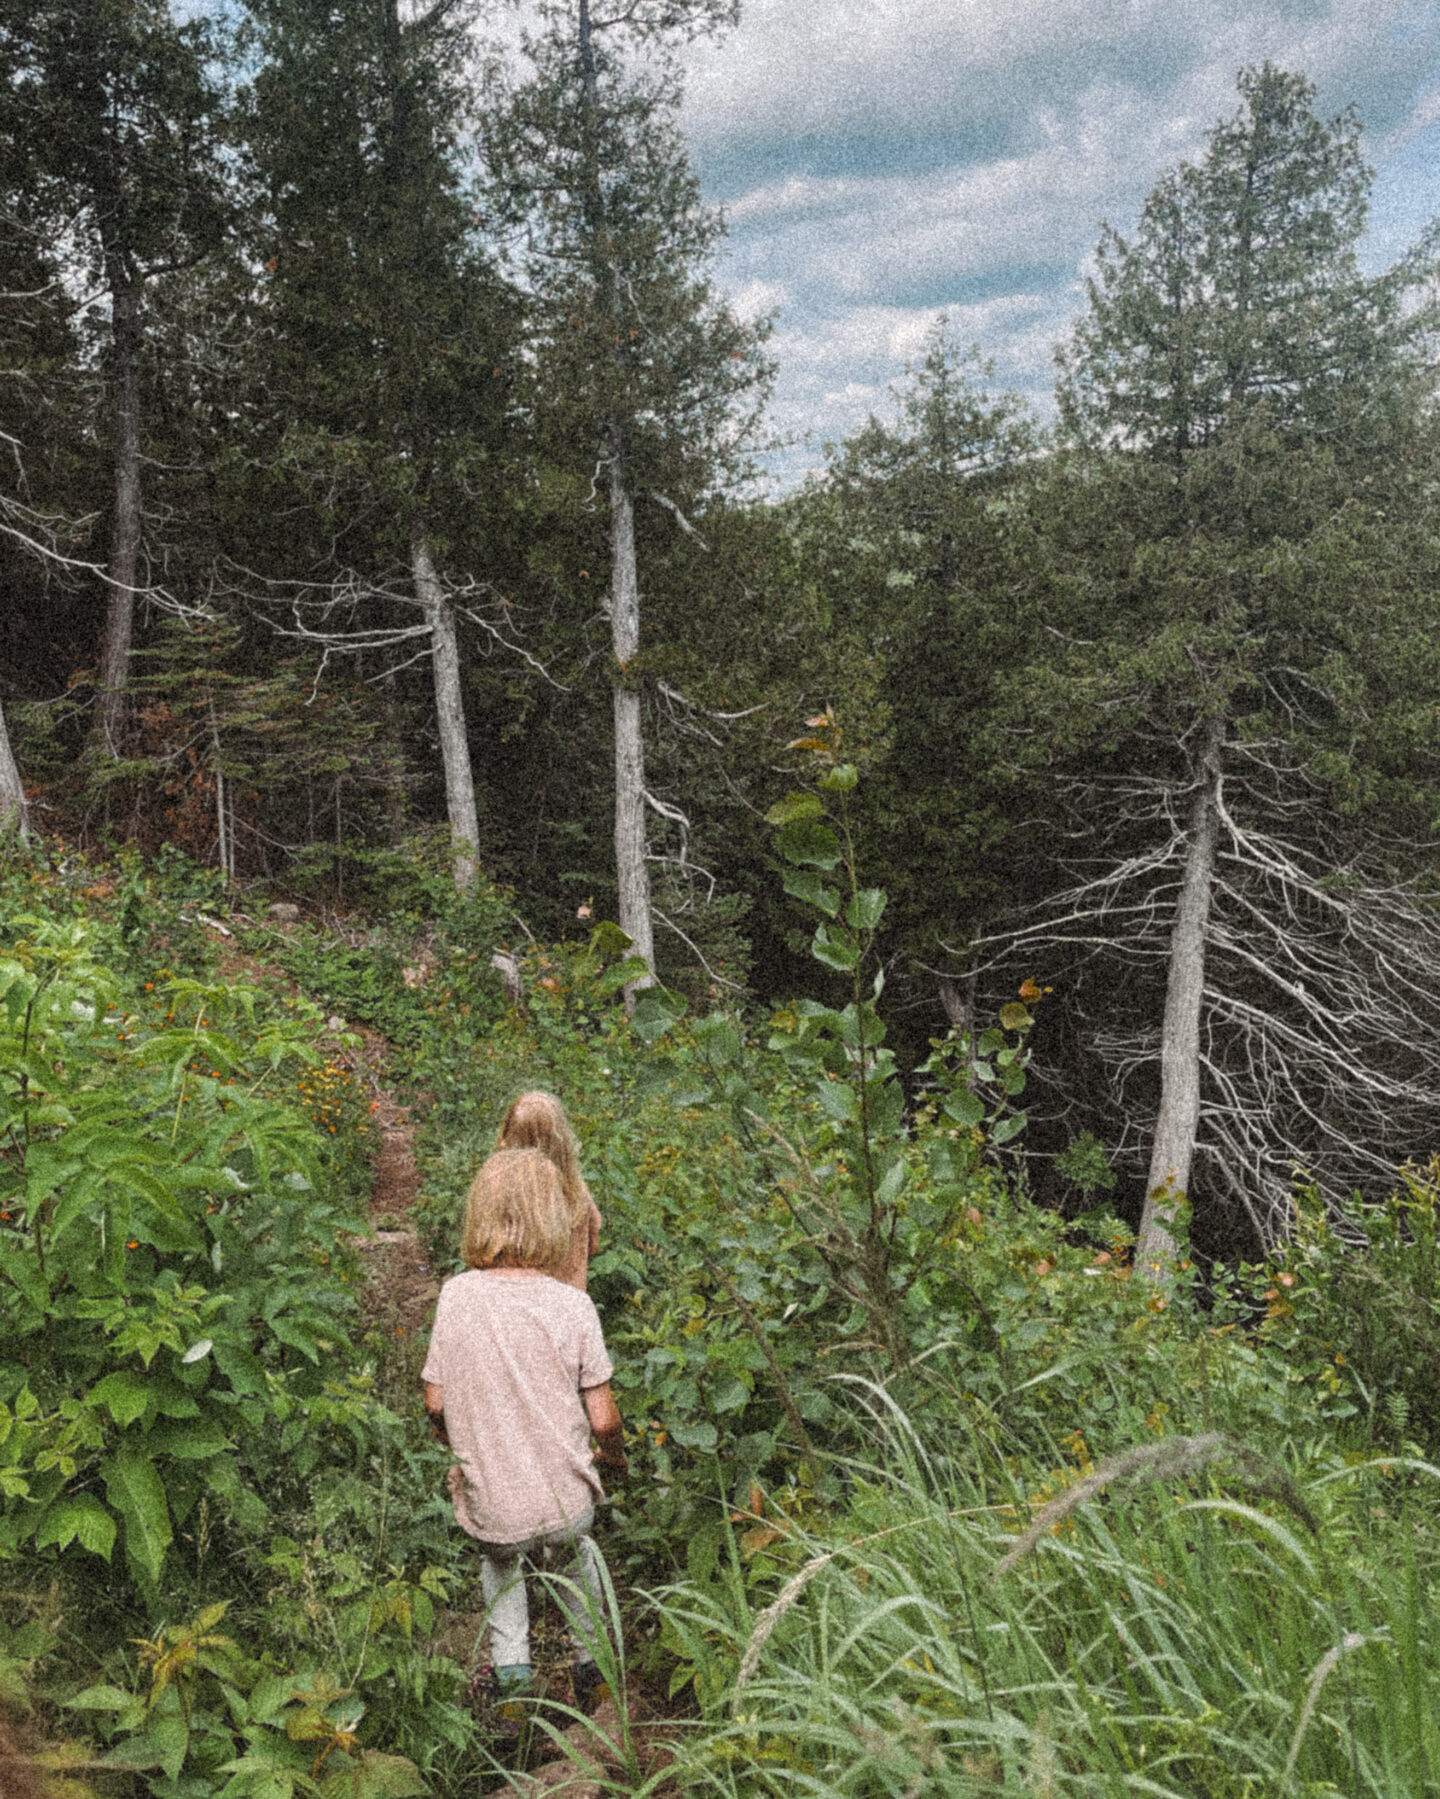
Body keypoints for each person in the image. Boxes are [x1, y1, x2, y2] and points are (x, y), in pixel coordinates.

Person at [421, 1147, 627, 1713]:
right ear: (553, 1219)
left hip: (497, 1511)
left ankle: (512, 1684)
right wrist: (616, 1458)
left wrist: (463, 1443)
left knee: (501, 1563)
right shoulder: (573, 1305)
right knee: (574, 1553)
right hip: (566, 1505)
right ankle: (595, 1673)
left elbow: (435, 1402)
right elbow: (604, 1419)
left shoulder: (456, 1296)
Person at [495, 1090, 603, 1292]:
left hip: (522, 1305)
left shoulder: (507, 1193)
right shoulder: (576, 1189)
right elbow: (594, 1237)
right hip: (570, 1302)